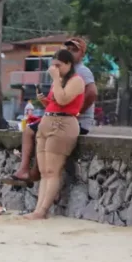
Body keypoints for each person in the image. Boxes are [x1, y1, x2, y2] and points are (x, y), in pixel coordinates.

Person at [6, 36, 96, 185]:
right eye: (68, 49)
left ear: (82, 55)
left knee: (44, 136)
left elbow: (92, 93)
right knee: (30, 131)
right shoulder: (63, 73)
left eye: (75, 50)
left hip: (72, 122)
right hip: (58, 118)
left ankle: (35, 173)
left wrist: (77, 113)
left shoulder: (82, 71)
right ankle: (24, 170)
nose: (71, 52)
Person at [25, 49, 84, 220]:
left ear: (69, 64)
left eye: (59, 65)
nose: (55, 69)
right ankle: (38, 209)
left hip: (63, 125)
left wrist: (56, 79)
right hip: (48, 122)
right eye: (53, 66)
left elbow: (64, 99)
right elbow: (55, 102)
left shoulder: (76, 81)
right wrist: (45, 100)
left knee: (52, 170)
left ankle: (42, 210)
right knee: (44, 170)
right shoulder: (58, 81)